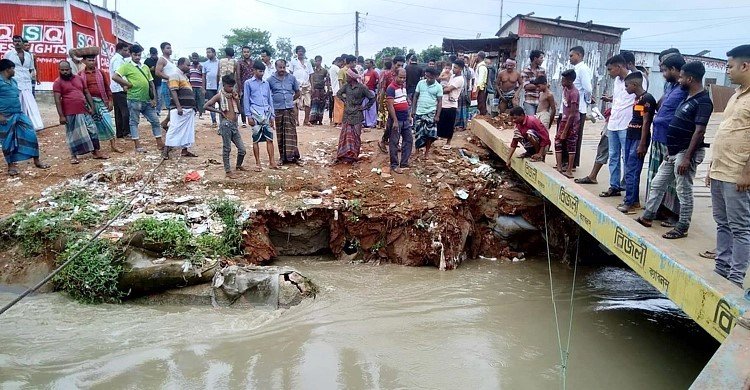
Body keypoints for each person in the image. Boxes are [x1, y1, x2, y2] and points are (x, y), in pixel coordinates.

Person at [636, 61, 711, 238]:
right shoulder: (686, 97)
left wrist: (687, 158)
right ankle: (648, 216)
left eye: (682, 76)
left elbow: (700, 131)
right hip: (674, 151)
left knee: (683, 190)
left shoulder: (703, 101)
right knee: (657, 183)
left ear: (690, 78)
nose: (680, 79)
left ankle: (682, 226)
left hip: (686, 152)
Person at [707, 45, 750, 286]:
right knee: (722, 223)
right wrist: (713, 166)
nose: (728, 71)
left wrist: (747, 172)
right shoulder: (735, 95)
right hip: (720, 170)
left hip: (738, 174)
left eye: (730, 67)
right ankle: (721, 269)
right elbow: (725, 131)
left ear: (745, 66)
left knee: (740, 228)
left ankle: (735, 277)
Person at [645, 53, 687, 223]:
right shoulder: (670, 87)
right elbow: (663, 103)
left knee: (672, 180)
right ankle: (657, 208)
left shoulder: (684, 89)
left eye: (664, 70)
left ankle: (673, 213)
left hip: (671, 139)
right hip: (659, 136)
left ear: (674, 69)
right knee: (657, 176)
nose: (662, 74)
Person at [53, 60, 108, 164]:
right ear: (59, 70)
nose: (65, 72)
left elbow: (86, 92)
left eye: (67, 70)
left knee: (93, 129)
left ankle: (96, 152)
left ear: (70, 69)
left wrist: (91, 106)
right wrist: (61, 116)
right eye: (62, 70)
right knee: (73, 134)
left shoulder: (79, 78)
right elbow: (57, 100)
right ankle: (74, 156)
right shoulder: (57, 82)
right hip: (70, 112)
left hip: (84, 109)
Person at [0, 59, 49, 176]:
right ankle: (11, 166)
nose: (14, 71)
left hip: (19, 113)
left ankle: (37, 160)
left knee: (31, 134)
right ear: (7, 69)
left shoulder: (14, 82)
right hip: (5, 116)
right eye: (13, 69)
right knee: (8, 141)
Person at [112, 44, 162, 153]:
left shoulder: (145, 67)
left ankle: (159, 142)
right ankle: (137, 145)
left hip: (147, 100)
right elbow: (115, 76)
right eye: (135, 55)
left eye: (139, 55)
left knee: (155, 121)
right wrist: (127, 84)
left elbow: (151, 83)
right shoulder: (126, 66)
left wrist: (154, 98)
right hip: (134, 99)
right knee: (134, 122)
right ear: (130, 54)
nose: (138, 57)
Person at [618, 72, 656, 214]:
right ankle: (632, 200)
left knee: (632, 170)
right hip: (631, 134)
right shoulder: (637, 98)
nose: (626, 89)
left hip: (638, 138)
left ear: (635, 84)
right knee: (629, 168)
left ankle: (630, 202)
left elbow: (646, 122)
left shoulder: (647, 99)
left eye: (627, 86)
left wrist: (642, 143)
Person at [600, 55, 635, 198]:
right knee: (613, 156)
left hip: (627, 124)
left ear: (618, 67)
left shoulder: (636, 78)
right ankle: (614, 186)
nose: (609, 73)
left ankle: (627, 186)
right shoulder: (616, 81)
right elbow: (619, 98)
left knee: (626, 157)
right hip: (614, 123)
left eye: (610, 69)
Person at [80, 53, 122, 153]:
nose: (91, 62)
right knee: (92, 125)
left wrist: (110, 100)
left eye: (93, 60)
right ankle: (95, 149)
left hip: (101, 101)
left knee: (108, 122)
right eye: (89, 60)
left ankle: (113, 145)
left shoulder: (101, 73)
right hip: (89, 103)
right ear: (84, 61)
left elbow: (107, 87)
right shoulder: (80, 75)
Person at [206, 75, 247, 178]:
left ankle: (238, 165)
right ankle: (228, 171)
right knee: (227, 148)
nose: (231, 89)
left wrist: (237, 99)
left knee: (242, 149)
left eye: (232, 87)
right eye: (229, 86)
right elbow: (206, 106)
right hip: (226, 124)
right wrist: (219, 111)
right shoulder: (219, 95)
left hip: (234, 124)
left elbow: (240, 110)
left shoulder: (233, 95)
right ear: (224, 85)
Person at [243, 61, 279, 172]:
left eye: (263, 71)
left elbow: (270, 99)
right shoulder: (248, 83)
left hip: (266, 112)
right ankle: (258, 163)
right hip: (255, 113)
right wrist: (248, 116)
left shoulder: (266, 83)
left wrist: (272, 115)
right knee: (256, 139)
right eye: (260, 71)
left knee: (270, 139)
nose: (262, 73)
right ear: (254, 70)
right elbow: (246, 100)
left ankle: (272, 162)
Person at [336, 68, 375, 164]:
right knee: (345, 135)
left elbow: (372, 98)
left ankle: (353, 156)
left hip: (357, 114)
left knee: (356, 136)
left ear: (352, 77)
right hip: (347, 114)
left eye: (348, 76)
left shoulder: (362, 87)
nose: (346, 78)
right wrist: (345, 101)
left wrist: (365, 107)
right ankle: (343, 155)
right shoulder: (346, 86)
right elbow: (338, 93)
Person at [4, 36, 43, 131]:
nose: (17, 43)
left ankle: (32, 124)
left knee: (29, 102)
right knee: (18, 102)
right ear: (13, 43)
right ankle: (17, 124)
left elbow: (31, 68)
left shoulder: (29, 55)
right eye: (15, 41)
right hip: (14, 81)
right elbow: (4, 67)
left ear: (22, 43)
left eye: (19, 41)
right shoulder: (9, 54)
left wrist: (34, 78)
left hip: (26, 82)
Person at [162, 58, 198, 159]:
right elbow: (173, 91)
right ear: (181, 64)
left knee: (188, 130)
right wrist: (178, 106)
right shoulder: (175, 74)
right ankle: (165, 151)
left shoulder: (184, 76)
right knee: (174, 128)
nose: (189, 67)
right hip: (181, 108)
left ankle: (185, 150)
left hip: (188, 108)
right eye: (187, 65)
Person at [268, 59, 301, 165]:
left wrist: (290, 99)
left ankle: (294, 157)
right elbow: (268, 95)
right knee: (280, 134)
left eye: (283, 67)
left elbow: (297, 92)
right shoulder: (270, 80)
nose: (282, 69)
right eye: (280, 67)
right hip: (278, 110)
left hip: (290, 109)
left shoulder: (292, 78)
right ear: (276, 67)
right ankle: (282, 157)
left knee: (292, 133)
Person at [568, 46, 593, 168]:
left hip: (579, 108)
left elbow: (588, 88)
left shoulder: (583, 69)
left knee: (575, 135)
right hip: (571, 107)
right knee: (569, 134)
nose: (570, 58)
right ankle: (567, 161)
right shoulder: (575, 69)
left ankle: (573, 163)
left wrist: (587, 100)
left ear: (579, 55)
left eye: (571, 56)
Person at [412, 67, 442, 159]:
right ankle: (417, 150)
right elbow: (415, 97)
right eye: (426, 76)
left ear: (435, 77)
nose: (428, 79)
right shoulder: (420, 83)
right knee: (418, 133)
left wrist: (437, 115)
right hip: (419, 112)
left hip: (431, 112)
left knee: (429, 134)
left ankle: (427, 152)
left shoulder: (438, 87)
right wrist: (413, 110)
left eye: (430, 77)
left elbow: (440, 102)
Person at [386, 68, 412, 174]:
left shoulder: (403, 87)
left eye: (404, 78)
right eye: (400, 77)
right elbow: (390, 105)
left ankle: (404, 162)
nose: (402, 79)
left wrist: (409, 115)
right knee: (394, 143)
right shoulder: (391, 88)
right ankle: (394, 165)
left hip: (405, 118)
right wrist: (395, 121)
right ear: (395, 76)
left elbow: (405, 101)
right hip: (397, 120)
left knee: (409, 140)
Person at [555, 69, 580, 178]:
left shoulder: (574, 93)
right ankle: (559, 166)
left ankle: (569, 169)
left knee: (571, 143)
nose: (562, 81)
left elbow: (572, 113)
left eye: (564, 79)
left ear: (570, 81)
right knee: (558, 141)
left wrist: (565, 130)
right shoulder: (565, 88)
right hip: (564, 119)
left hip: (572, 121)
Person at [378, 55, 405, 152]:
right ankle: (384, 141)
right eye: (398, 65)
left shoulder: (402, 75)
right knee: (390, 124)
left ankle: (394, 142)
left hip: (398, 101)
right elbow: (382, 89)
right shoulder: (387, 74)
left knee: (397, 123)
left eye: (402, 65)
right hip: (387, 101)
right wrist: (381, 104)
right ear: (393, 64)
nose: (400, 67)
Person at [437, 59, 465, 150]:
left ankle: (448, 142)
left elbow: (448, 89)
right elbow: (445, 84)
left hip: (451, 104)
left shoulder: (460, 79)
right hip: (444, 103)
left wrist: (439, 91)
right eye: (454, 67)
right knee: (441, 122)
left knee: (450, 124)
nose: (453, 69)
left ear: (460, 69)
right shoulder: (452, 76)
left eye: (456, 68)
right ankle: (440, 137)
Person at [109, 42, 130, 139]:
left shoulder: (118, 59)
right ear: (119, 50)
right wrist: (124, 85)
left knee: (118, 112)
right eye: (125, 50)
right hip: (120, 88)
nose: (127, 52)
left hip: (115, 89)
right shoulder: (118, 60)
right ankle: (126, 132)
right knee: (125, 111)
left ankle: (120, 133)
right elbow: (118, 76)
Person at [290, 46, 313, 126]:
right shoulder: (293, 62)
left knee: (308, 103)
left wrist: (312, 86)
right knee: (295, 103)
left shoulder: (308, 62)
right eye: (299, 51)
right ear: (296, 53)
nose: (301, 52)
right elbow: (290, 74)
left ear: (304, 52)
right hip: (296, 85)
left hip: (306, 85)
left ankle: (306, 121)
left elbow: (311, 75)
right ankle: (296, 121)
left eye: (302, 51)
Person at [521, 50, 546, 115]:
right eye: (541, 58)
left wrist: (533, 84)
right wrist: (540, 84)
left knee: (540, 122)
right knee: (531, 121)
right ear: (535, 59)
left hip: (541, 101)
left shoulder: (542, 70)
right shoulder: (525, 71)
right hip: (529, 101)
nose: (542, 60)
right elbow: (526, 87)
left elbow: (546, 85)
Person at [237, 46, 255, 128]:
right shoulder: (239, 63)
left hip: (253, 86)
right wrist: (240, 89)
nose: (246, 53)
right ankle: (244, 121)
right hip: (243, 86)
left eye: (248, 51)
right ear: (242, 53)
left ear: (250, 52)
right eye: (244, 52)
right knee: (243, 104)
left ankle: (254, 119)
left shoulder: (254, 62)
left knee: (253, 103)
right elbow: (238, 76)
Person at [203, 47, 220, 128]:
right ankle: (214, 121)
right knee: (211, 105)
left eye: (209, 52)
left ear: (214, 53)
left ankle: (222, 120)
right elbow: (203, 77)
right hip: (209, 87)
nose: (207, 54)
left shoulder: (219, 63)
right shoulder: (205, 64)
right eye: (207, 52)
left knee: (221, 104)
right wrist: (203, 88)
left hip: (219, 87)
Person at [310, 55, 328, 126]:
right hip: (315, 89)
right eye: (316, 61)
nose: (317, 62)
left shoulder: (324, 70)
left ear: (321, 61)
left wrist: (328, 89)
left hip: (321, 89)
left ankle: (320, 120)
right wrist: (312, 87)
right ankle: (313, 120)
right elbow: (310, 79)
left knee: (321, 105)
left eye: (319, 61)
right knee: (314, 104)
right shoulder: (312, 70)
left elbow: (327, 80)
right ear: (315, 61)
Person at [376, 56, 393, 130]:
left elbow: (381, 83)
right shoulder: (392, 73)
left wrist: (379, 93)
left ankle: (380, 124)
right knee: (387, 109)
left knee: (381, 108)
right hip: (390, 93)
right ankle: (386, 125)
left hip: (383, 92)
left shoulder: (382, 72)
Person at [362, 59, 379, 128]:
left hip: (371, 90)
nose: (366, 64)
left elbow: (378, 80)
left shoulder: (374, 72)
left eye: (368, 63)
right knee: (366, 106)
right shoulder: (365, 72)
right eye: (365, 63)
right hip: (366, 91)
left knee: (372, 107)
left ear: (371, 64)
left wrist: (375, 85)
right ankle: (366, 122)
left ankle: (372, 122)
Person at [188, 53, 205, 119]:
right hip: (192, 86)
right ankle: (193, 113)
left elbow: (203, 76)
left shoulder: (201, 66)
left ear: (198, 58)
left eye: (196, 58)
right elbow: (188, 75)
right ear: (192, 59)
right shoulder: (190, 67)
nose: (195, 59)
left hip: (199, 86)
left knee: (200, 101)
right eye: (193, 58)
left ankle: (200, 114)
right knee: (193, 100)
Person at [329, 57, 342, 126]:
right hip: (338, 89)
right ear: (338, 61)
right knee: (340, 106)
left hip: (335, 89)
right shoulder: (336, 68)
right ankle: (339, 121)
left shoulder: (331, 68)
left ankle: (336, 120)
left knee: (336, 107)